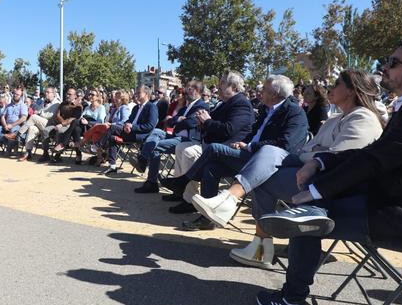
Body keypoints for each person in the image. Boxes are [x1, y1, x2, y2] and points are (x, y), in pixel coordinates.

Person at [252, 37, 402, 305]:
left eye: (394, 62)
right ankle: (300, 225)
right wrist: (321, 162)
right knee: (313, 207)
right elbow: (373, 154)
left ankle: (292, 301)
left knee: (308, 220)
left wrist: (317, 190)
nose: (385, 66)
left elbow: (376, 161)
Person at [194, 69, 385, 268]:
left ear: (352, 91)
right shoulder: (336, 119)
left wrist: (315, 155)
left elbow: (340, 159)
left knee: (261, 176)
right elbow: (311, 150)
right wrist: (316, 152)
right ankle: (232, 203)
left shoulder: (363, 118)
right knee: (267, 154)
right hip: (308, 173)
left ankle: (258, 243)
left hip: (332, 187)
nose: (331, 87)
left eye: (337, 83)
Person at [162, 75, 308, 230]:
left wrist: (250, 146)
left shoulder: (294, 113)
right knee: (210, 167)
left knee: (214, 149)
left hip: (267, 163)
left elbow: (285, 144)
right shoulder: (268, 110)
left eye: (264, 89)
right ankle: (207, 217)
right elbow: (251, 132)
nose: (260, 92)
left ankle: (183, 181)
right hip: (248, 154)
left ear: (274, 93)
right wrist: (241, 144)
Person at [134, 80, 207, 193]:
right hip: (175, 136)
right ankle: (144, 160)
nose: (187, 91)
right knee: (156, 131)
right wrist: (177, 119)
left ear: (198, 91)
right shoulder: (185, 108)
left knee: (155, 146)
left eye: (190, 88)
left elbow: (190, 123)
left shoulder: (202, 105)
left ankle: (150, 179)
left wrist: (177, 120)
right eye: (187, 88)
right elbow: (168, 122)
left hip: (188, 140)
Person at [100, 85, 158, 175]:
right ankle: (112, 166)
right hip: (129, 132)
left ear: (146, 94)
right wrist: (127, 124)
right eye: (136, 92)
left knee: (112, 127)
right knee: (112, 137)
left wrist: (132, 127)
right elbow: (129, 120)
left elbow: (150, 126)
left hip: (140, 135)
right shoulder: (136, 108)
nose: (136, 94)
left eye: (139, 92)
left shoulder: (151, 107)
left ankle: (99, 146)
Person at [16, 87, 60, 161]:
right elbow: (37, 111)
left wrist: (39, 113)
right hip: (41, 123)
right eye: (45, 92)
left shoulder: (56, 103)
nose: (46, 94)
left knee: (33, 117)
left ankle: (19, 133)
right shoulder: (44, 102)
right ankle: (28, 152)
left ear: (53, 94)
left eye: (48, 92)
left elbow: (50, 116)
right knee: (32, 129)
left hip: (50, 124)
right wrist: (39, 112)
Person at [0, 87, 28, 154]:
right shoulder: (8, 106)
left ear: (21, 96)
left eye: (17, 94)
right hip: (6, 125)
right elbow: (2, 117)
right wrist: (5, 125)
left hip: (16, 125)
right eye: (14, 94)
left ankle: (9, 148)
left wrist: (12, 125)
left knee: (13, 131)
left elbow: (23, 118)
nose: (15, 95)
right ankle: (11, 144)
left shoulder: (23, 106)